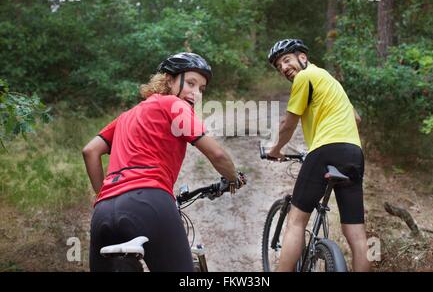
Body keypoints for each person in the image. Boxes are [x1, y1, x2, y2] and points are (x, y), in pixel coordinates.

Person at [82, 52, 246, 272]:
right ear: (169, 80)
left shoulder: (126, 116)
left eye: (202, 89)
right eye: (190, 83)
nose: (196, 94)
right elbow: (217, 154)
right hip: (150, 203)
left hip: (103, 212)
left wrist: (104, 194)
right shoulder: (173, 105)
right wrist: (233, 178)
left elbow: (90, 150)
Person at [266, 39, 370, 272]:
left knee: (296, 221)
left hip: (325, 150)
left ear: (302, 57)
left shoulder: (305, 77)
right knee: (356, 232)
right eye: (278, 66)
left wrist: (275, 150)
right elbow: (356, 119)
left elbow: (289, 123)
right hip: (353, 153)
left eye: (286, 60)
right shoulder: (331, 81)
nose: (283, 68)